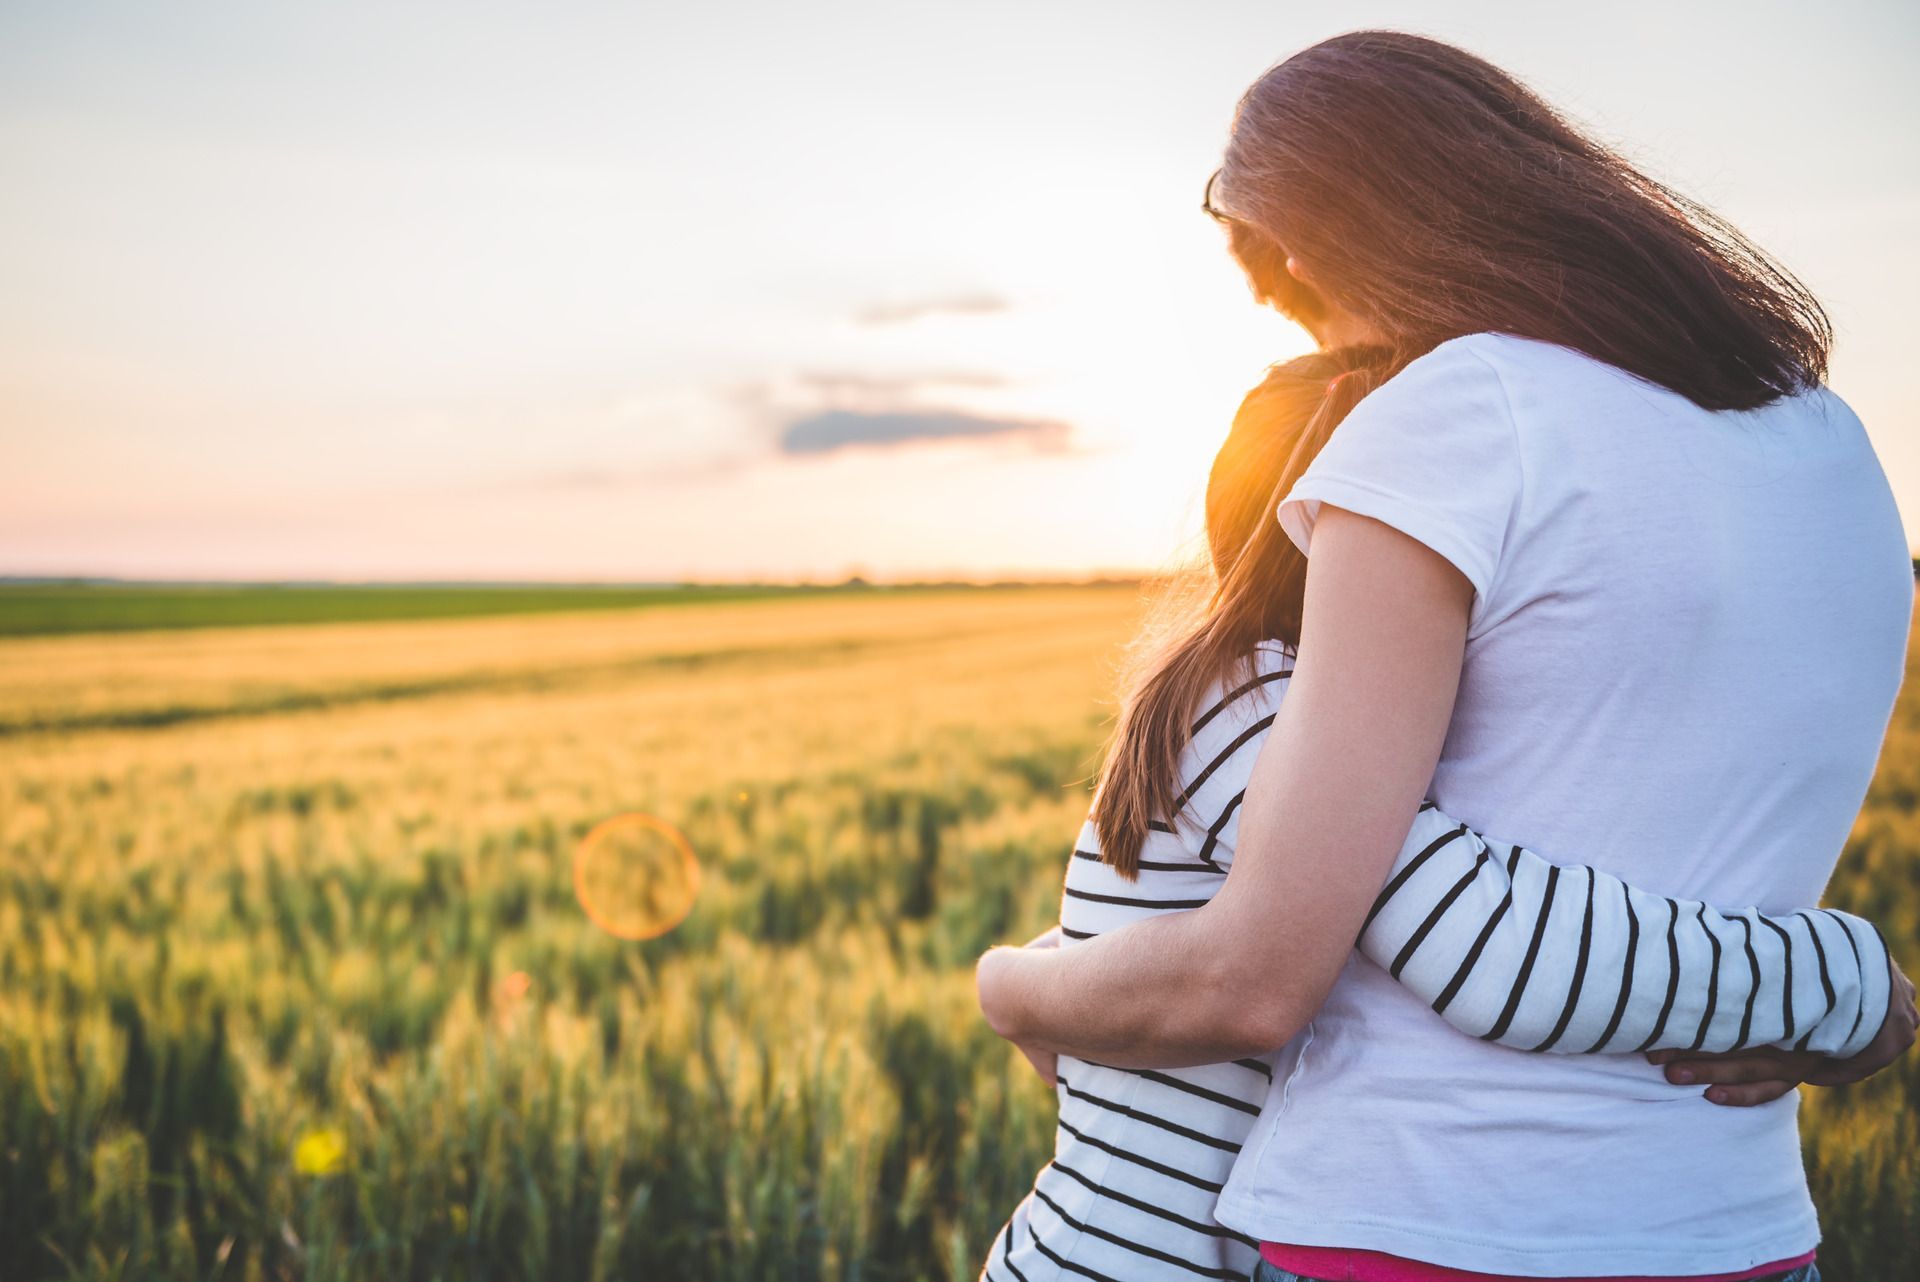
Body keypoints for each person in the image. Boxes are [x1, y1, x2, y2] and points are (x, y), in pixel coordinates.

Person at [976, 30, 1919, 1281]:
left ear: (1320, 241)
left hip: (1424, 1220)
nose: (1342, 355)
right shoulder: (1834, 441)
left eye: (1303, 299)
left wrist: (1010, 988)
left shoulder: (1461, 411)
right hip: (1745, 1232)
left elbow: (1285, 963)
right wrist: (1857, 993)